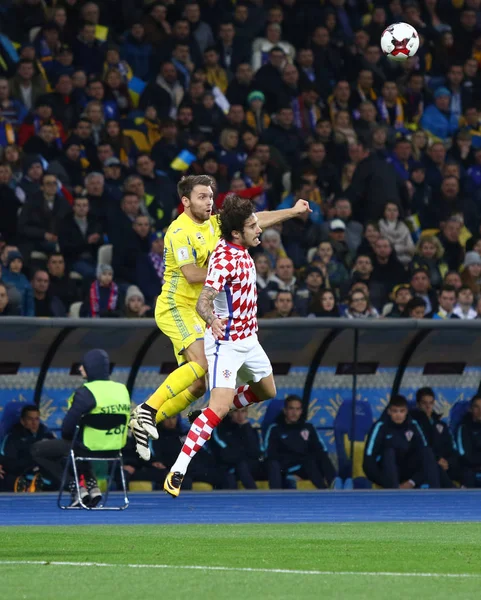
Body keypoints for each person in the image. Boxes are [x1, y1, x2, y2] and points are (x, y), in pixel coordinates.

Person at [129, 175, 311, 460]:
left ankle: (143, 420)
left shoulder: (215, 222)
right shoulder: (179, 231)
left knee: (198, 384)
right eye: (202, 196)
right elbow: (190, 274)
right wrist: (229, 275)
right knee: (201, 364)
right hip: (177, 306)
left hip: (201, 309)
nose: (209, 201)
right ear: (186, 201)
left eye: (211, 196)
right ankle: (147, 410)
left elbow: (254, 220)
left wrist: (293, 211)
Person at [162, 195, 301, 496]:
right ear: (237, 233)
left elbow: (262, 217)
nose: (258, 230)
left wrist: (292, 210)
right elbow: (203, 301)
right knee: (221, 407)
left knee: (267, 391)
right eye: (252, 226)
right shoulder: (223, 260)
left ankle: (206, 414)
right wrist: (212, 320)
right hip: (225, 343)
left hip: (249, 340)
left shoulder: (241, 244)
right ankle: (178, 469)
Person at [31, 349, 131, 507]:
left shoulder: (86, 392)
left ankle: (75, 488)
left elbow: (67, 430)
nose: (80, 368)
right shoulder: (122, 389)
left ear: (91, 367)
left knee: (39, 449)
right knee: (76, 446)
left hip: (88, 447)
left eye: (83, 365)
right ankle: (92, 486)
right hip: (115, 448)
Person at [363, 395, 440, 489]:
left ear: (406, 412)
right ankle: (394, 491)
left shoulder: (413, 425)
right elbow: (368, 461)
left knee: (428, 452)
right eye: (395, 411)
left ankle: (435, 494)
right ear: (389, 412)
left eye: (402, 411)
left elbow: (425, 453)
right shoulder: (380, 426)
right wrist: (385, 482)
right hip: (386, 474)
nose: (398, 415)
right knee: (389, 452)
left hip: (408, 472)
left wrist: (412, 482)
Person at [265, 395, 337, 490]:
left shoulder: (308, 427)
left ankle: (334, 485)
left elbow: (321, 449)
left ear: (301, 411)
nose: (294, 413)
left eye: (297, 409)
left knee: (320, 458)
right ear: (285, 410)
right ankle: (324, 490)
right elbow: (270, 454)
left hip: (305, 466)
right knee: (275, 464)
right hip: (286, 468)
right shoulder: (275, 429)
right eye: (291, 409)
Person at [410, 387, 459, 488]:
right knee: (436, 467)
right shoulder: (413, 423)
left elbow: (451, 447)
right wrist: (437, 459)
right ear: (418, 404)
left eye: (431, 403)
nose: (428, 407)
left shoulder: (440, 424)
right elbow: (420, 447)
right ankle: (453, 492)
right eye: (424, 403)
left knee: (464, 468)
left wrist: (447, 462)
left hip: (445, 464)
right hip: (424, 464)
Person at [1, 405, 55, 492]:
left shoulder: (47, 436)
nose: (34, 423)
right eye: (30, 419)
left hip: (46, 473)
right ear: (23, 421)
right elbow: (8, 462)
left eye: (36, 419)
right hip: (23, 473)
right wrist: (31, 464)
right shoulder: (13, 438)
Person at [211, 407, 265, 489]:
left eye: (243, 411)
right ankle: (256, 496)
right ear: (230, 413)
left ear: (246, 413)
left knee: (243, 465)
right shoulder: (220, 430)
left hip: (248, 467)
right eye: (236, 411)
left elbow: (256, 453)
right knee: (233, 472)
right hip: (227, 467)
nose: (240, 415)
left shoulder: (250, 429)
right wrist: (244, 453)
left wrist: (246, 428)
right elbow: (225, 455)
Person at [457, 394, 481, 488]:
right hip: (470, 468)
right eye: (476, 407)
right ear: (470, 409)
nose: (480, 411)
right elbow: (464, 454)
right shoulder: (464, 428)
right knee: (467, 474)